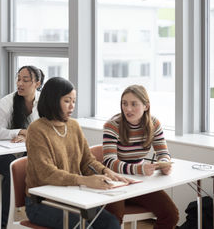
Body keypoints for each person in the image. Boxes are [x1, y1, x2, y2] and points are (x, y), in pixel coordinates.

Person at [25, 77, 126, 229]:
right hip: (42, 202)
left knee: (111, 224)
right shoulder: (36, 129)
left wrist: (105, 172)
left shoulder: (73, 126)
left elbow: (87, 161)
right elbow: (46, 173)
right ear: (53, 100)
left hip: (73, 196)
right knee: (84, 227)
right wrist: (84, 180)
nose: (72, 106)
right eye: (67, 101)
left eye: (74, 101)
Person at [103, 84, 179, 229]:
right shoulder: (112, 126)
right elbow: (109, 162)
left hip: (140, 182)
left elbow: (163, 152)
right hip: (116, 181)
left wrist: (164, 163)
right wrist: (139, 169)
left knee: (171, 215)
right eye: (124, 104)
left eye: (133, 104)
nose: (128, 109)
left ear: (146, 106)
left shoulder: (154, 123)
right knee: (113, 220)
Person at [0, 65, 44, 228]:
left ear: (37, 84)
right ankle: (2, 222)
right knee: (12, 169)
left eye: (26, 80)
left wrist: (26, 136)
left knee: (37, 166)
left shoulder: (43, 102)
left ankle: (38, 214)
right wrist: (21, 131)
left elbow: (42, 132)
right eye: (18, 79)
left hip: (23, 150)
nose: (20, 83)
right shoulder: (7, 101)